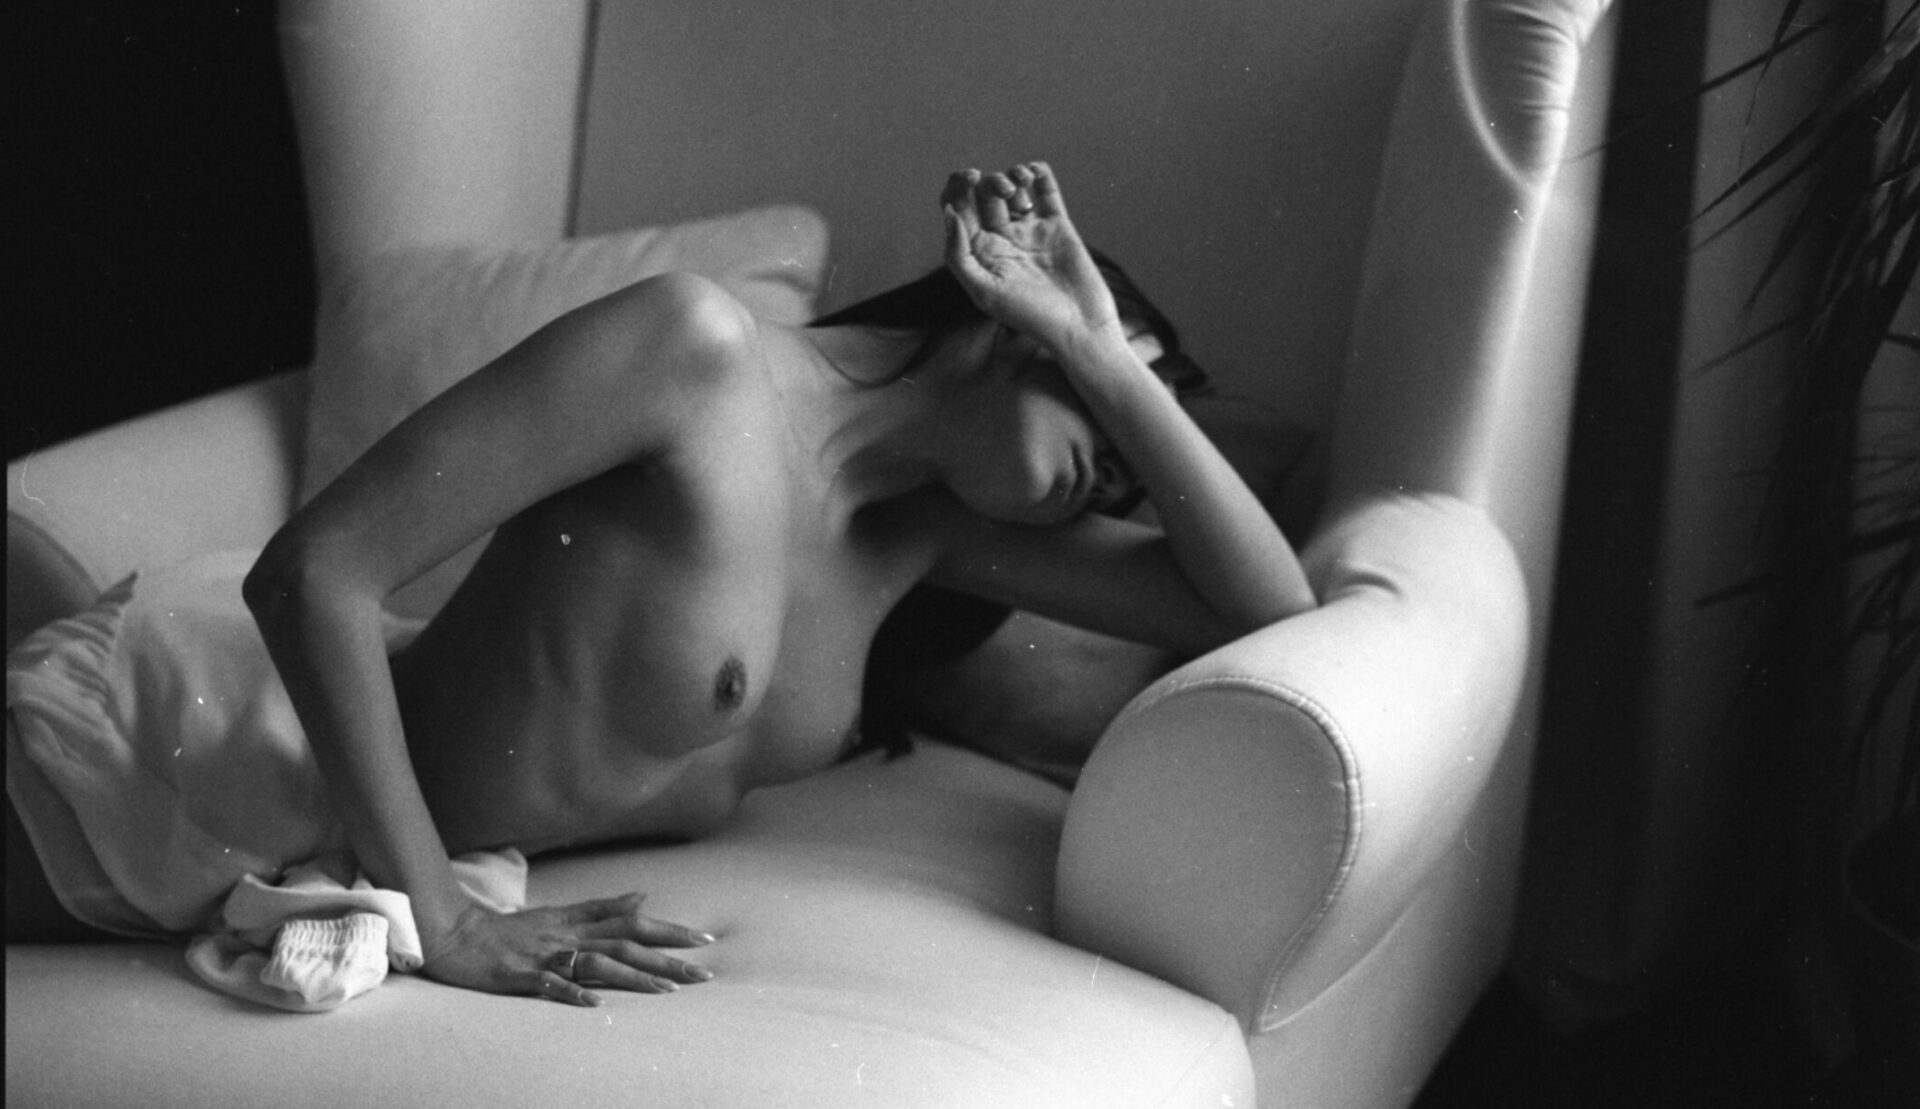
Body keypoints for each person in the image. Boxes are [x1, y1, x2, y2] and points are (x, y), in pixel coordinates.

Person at [222, 163, 1316, 1005]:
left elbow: (1269, 613)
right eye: (1099, 414)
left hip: (426, 860)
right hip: (265, 778)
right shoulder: (691, 351)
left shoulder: (926, 535)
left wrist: (1108, 362)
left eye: (1128, 464)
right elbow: (312, 573)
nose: (1113, 482)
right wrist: (449, 922)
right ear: (1007, 324)